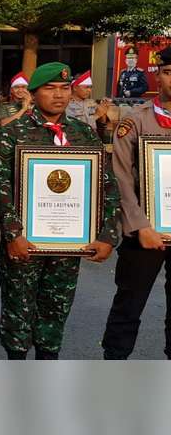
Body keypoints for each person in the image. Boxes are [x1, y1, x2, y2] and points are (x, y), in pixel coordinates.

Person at [0, 62, 120, 360]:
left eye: (64, 88)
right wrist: (12, 234)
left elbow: (107, 185)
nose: (59, 95)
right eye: (50, 88)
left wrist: (107, 235)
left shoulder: (83, 133)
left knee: (55, 312)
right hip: (24, 243)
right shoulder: (14, 132)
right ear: (34, 93)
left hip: (68, 243)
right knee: (18, 313)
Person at [102, 45, 171, 359]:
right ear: (157, 76)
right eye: (168, 73)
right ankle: (115, 369)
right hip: (144, 230)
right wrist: (141, 226)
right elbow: (121, 177)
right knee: (129, 305)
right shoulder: (135, 121)